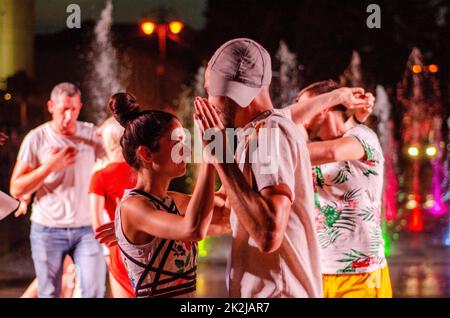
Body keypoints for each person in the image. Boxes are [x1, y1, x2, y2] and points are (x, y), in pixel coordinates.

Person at [193, 38, 330, 298]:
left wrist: (220, 155)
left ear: (237, 92)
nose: (209, 101)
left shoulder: (271, 133)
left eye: (212, 90)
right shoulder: (251, 136)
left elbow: (269, 233)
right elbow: (225, 213)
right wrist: (143, 215)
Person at [108, 92, 226, 298]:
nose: (187, 149)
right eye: (177, 142)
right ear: (146, 154)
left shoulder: (171, 200)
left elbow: (226, 208)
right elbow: (194, 229)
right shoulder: (133, 207)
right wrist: (209, 156)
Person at [286, 80, 392, 298]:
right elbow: (279, 124)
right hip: (317, 271)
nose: (302, 117)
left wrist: (340, 98)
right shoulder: (307, 144)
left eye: (308, 107)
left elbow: (332, 153)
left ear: (325, 108)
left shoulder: (362, 137)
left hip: (362, 274)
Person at [10, 82, 107, 298]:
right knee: (49, 292)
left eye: (74, 109)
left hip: (87, 230)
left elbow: (115, 156)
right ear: (51, 106)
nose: (69, 116)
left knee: (94, 291)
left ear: (80, 107)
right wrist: (50, 167)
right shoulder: (36, 138)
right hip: (47, 230)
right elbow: (16, 188)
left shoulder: (92, 135)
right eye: (64, 109)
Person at [89, 117, 136, 298]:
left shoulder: (100, 176)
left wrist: (108, 249)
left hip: (118, 246)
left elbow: (97, 224)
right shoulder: (143, 169)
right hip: (147, 244)